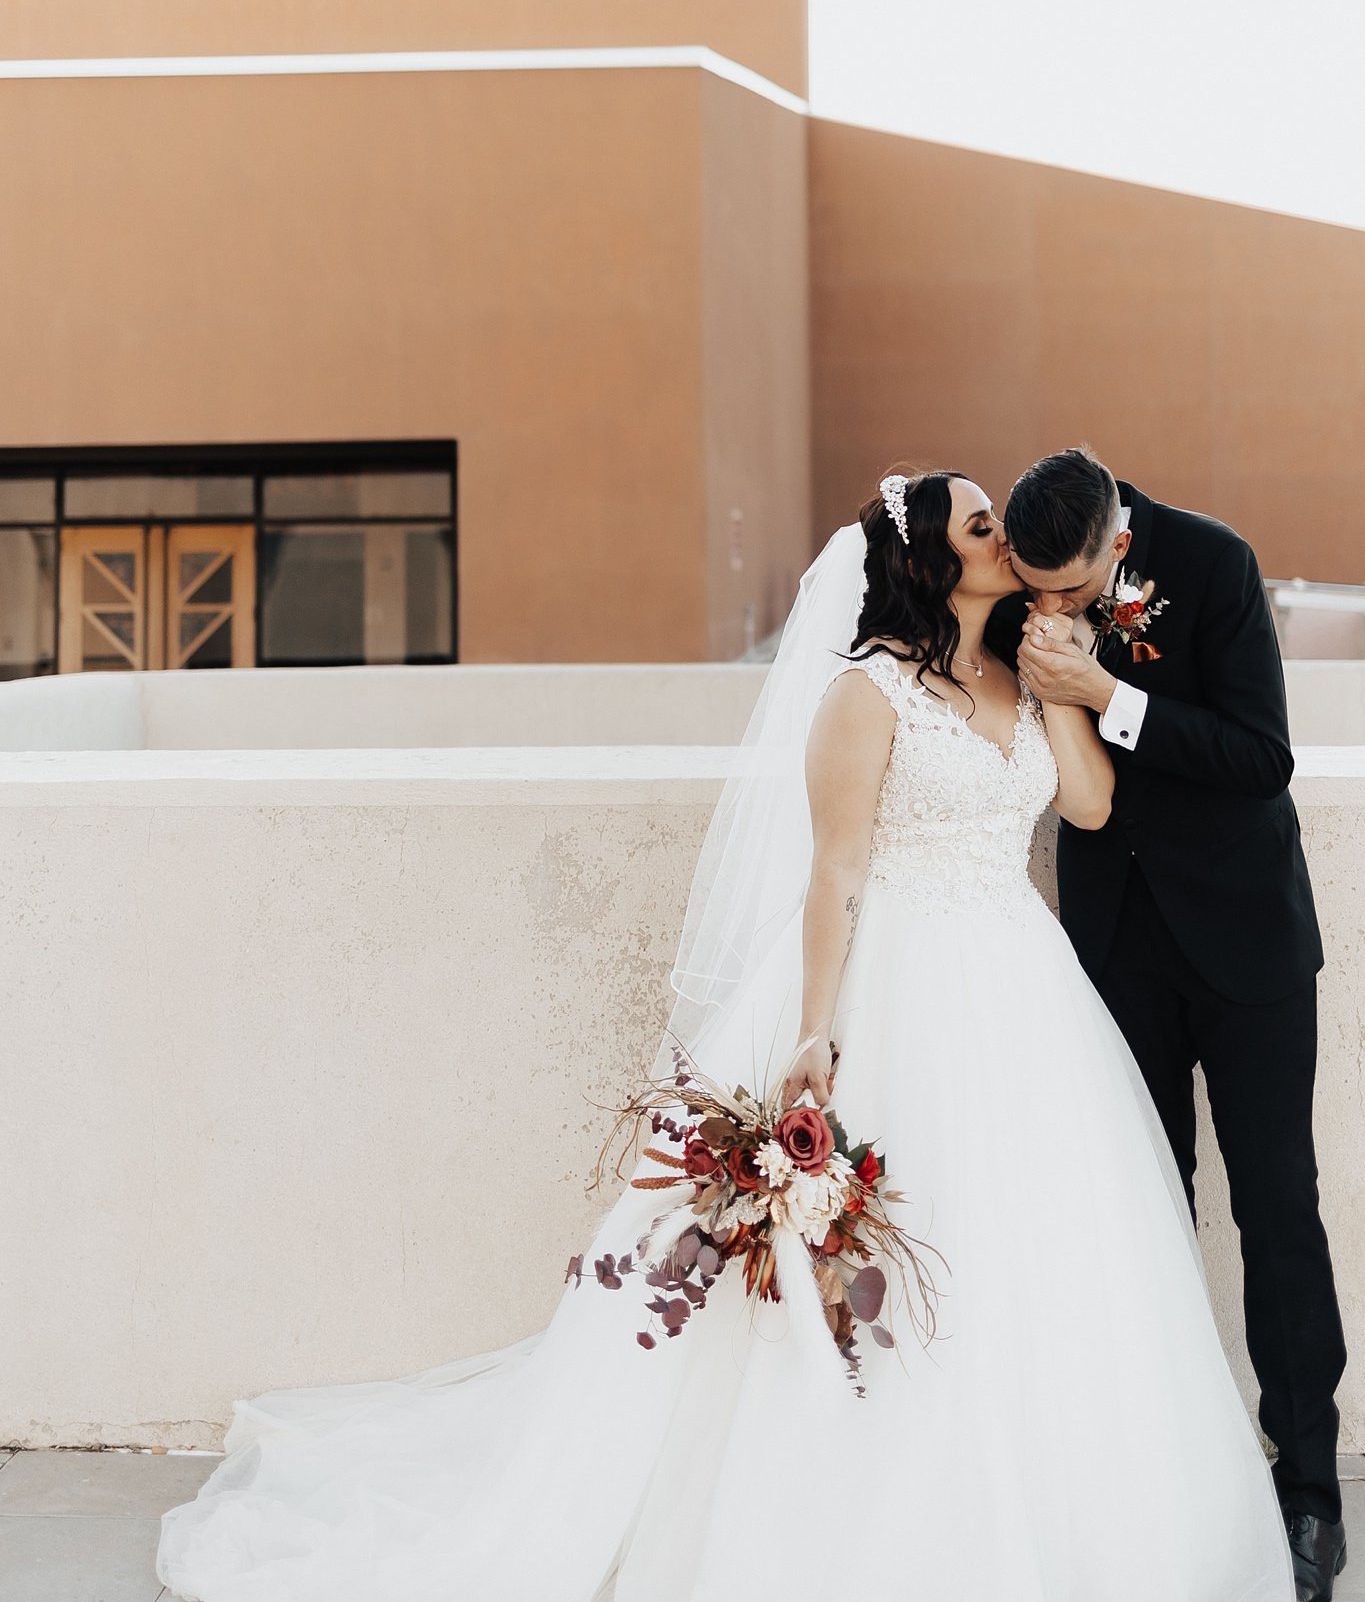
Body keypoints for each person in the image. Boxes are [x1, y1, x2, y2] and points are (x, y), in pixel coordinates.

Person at [158, 469, 1294, 1602]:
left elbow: (1088, 804)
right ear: (931, 564)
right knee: (897, 1242)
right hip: (900, 981)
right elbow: (837, 869)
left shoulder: (1025, 659)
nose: (1006, 539)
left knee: (1039, 1245)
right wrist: (812, 1031)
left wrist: (1065, 681)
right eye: (981, 525)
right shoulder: (866, 694)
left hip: (1025, 987)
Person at [995, 446, 1347, 1602]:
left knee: (1275, 1207)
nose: (1049, 607)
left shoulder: (1215, 561)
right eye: (1034, 588)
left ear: (1116, 534)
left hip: (1246, 947)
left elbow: (1261, 758)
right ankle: (1165, 1480)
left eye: (1069, 587)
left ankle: (1308, 1488)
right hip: (1116, 950)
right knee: (1141, 1207)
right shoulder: (1025, 587)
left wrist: (1109, 696)